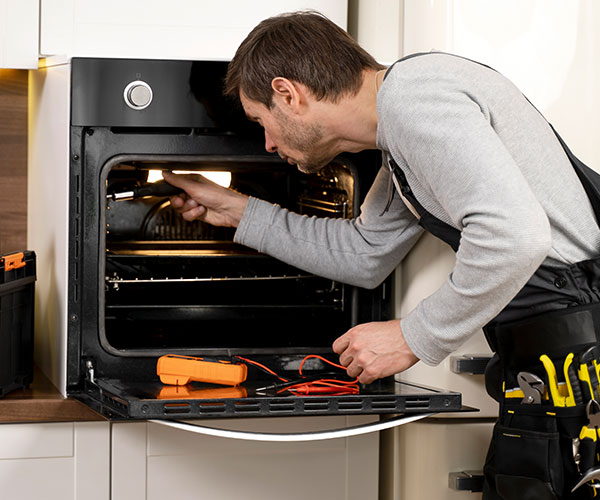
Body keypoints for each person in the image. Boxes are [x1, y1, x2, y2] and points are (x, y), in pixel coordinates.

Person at [164, 11, 600, 499]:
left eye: (261, 122)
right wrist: (236, 211)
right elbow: (365, 253)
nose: (267, 143)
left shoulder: (417, 100)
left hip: (578, 367)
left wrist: (412, 335)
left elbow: (515, 237)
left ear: (289, 94)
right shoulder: (400, 125)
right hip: (550, 364)